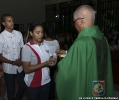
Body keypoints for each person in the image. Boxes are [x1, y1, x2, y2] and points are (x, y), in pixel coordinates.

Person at [56, 5, 114, 100]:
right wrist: (68, 53)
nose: (74, 26)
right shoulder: (103, 39)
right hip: (100, 86)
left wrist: (61, 59)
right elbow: (89, 58)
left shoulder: (81, 43)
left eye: (74, 22)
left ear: (80, 21)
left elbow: (68, 73)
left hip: (88, 89)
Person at [22, 22, 57, 100]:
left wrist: (53, 61)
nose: (40, 34)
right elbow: (26, 69)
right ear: (31, 33)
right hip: (33, 83)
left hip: (46, 81)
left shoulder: (46, 45)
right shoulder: (27, 48)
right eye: (37, 32)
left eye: (42, 32)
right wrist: (45, 64)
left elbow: (50, 58)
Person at [0, 14, 26, 100]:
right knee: (11, 90)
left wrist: (21, 59)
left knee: (23, 86)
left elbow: (22, 48)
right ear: (3, 23)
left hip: (19, 66)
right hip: (8, 67)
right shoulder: (1, 36)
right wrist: (13, 62)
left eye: (12, 21)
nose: (12, 23)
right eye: (9, 21)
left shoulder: (18, 34)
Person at [44, 29, 60, 100]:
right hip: (54, 62)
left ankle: (47, 96)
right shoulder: (56, 42)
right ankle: (52, 96)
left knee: (46, 79)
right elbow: (58, 52)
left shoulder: (43, 42)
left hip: (46, 63)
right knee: (52, 78)